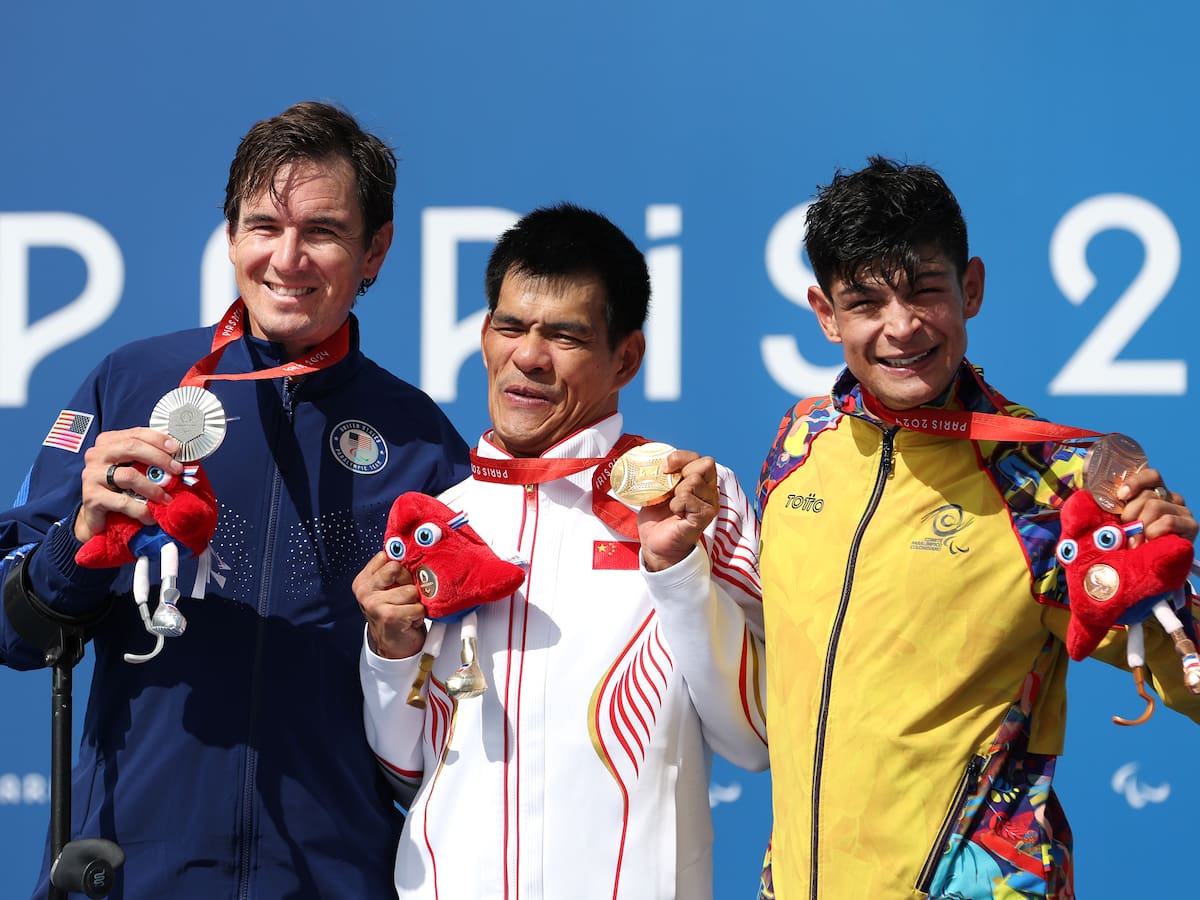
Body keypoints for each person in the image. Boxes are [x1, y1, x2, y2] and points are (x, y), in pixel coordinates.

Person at [0, 101, 471, 898]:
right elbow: (12, 631)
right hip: (131, 872)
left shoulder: (420, 441)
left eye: (322, 231)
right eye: (263, 226)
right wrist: (75, 547)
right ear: (229, 236)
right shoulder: (133, 385)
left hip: (331, 879)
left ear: (375, 250)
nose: (287, 258)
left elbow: (457, 711)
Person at [754, 156, 1200, 900]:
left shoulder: (1054, 480)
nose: (902, 327)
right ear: (826, 314)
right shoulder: (798, 446)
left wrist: (1169, 585)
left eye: (925, 290)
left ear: (971, 288)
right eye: (865, 302)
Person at [355, 203, 768, 900]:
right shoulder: (439, 521)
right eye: (511, 327)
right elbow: (403, 774)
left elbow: (754, 738)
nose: (529, 357)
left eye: (565, 335)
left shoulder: (693, 500)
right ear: (484, 336)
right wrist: (389, 654)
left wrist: (678, 573)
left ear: (625, 358)